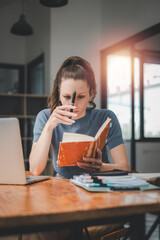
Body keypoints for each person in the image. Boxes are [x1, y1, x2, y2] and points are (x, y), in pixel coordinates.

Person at [29, 56, 130, 179]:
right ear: (59, 93)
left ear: (91, 94)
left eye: (81, 97)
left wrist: (102, 167)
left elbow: (125, 167)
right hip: (63, 184)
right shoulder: (45, 117)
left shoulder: (106, 117)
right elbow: (35, 169)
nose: (73, 105)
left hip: (98, 180)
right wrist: (49, 126)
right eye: (66, 97)